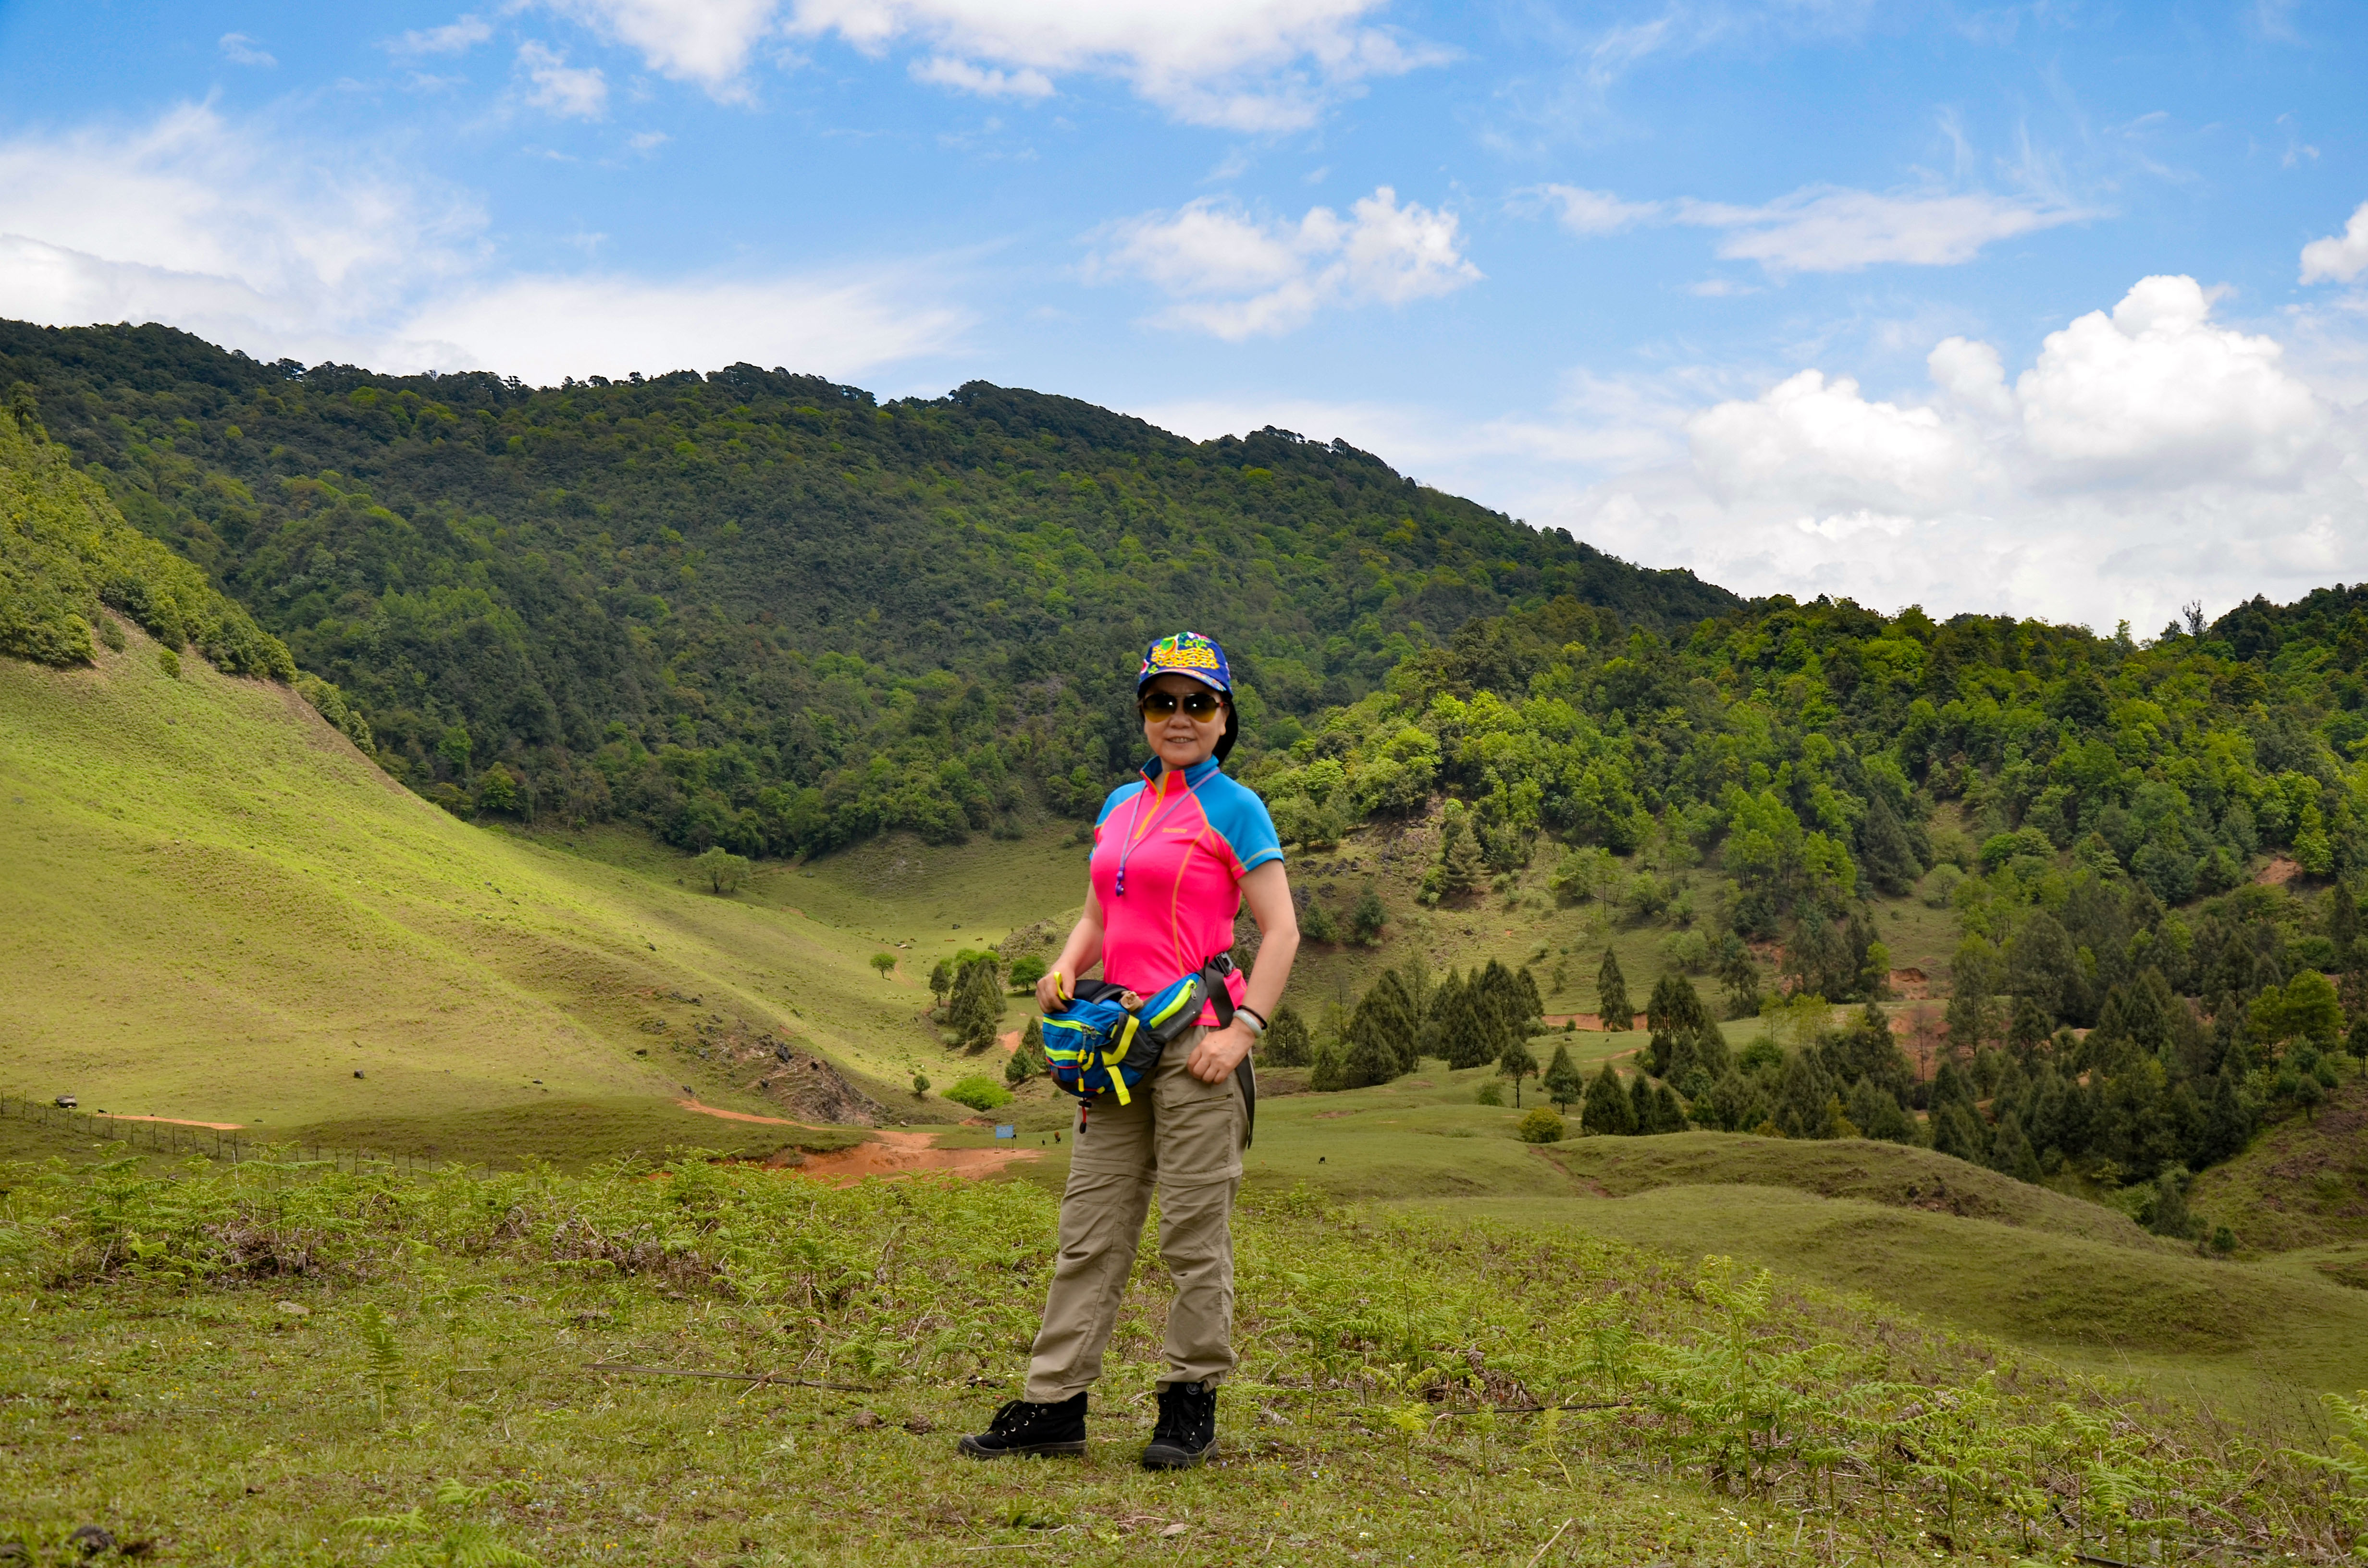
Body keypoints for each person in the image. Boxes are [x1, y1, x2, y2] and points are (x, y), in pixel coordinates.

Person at [959, 631, 1300, 1471]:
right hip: (1116, 1043)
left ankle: (1189, 1405)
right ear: (1144, 713)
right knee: (1090, 1229)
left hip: (1197, 1042)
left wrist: (1244, 1031)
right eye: (1162, 702)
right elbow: (1097, 916)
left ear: (1225, 718)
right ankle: (1054, 1406)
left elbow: (1283, 930)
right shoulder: (1119, 804)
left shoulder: (1237, 809)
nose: (1179, 717)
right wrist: (1064, 965)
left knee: (1193, 1232)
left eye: (1198, 703)